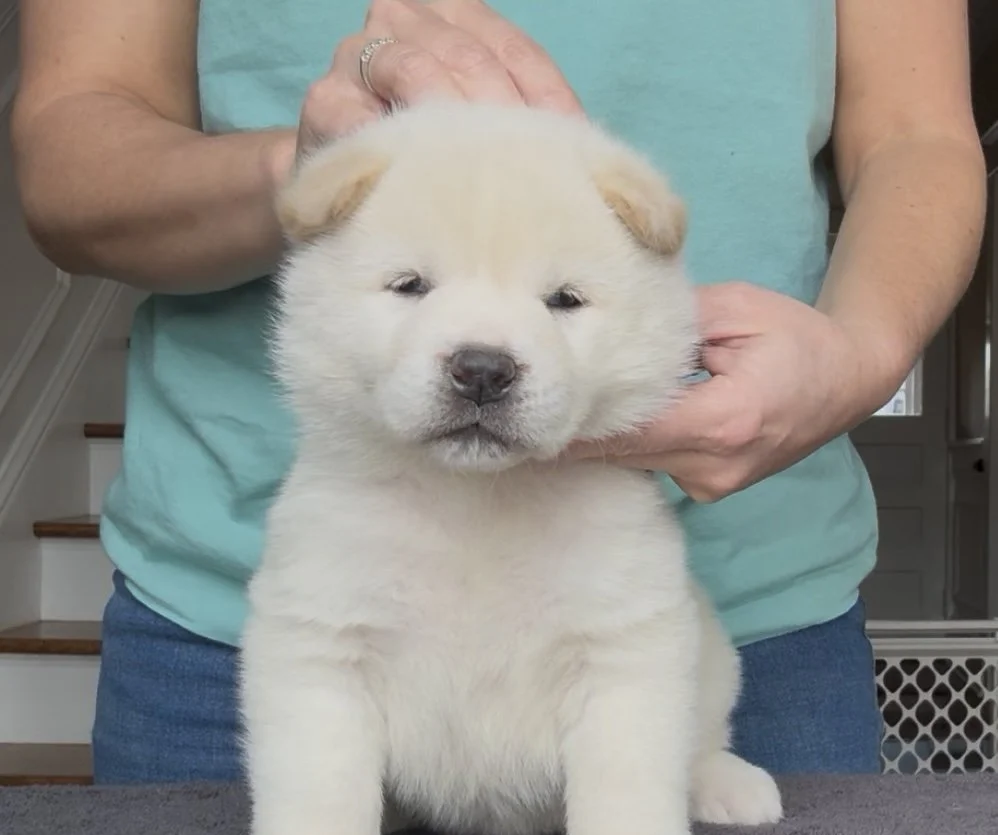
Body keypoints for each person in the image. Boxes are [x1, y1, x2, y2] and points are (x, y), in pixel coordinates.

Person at [12, 0, 985, 783]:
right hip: (271, 614)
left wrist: (860, 353)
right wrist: (306, 169)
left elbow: (917, 134)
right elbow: (70, 151)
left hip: (728, 612)